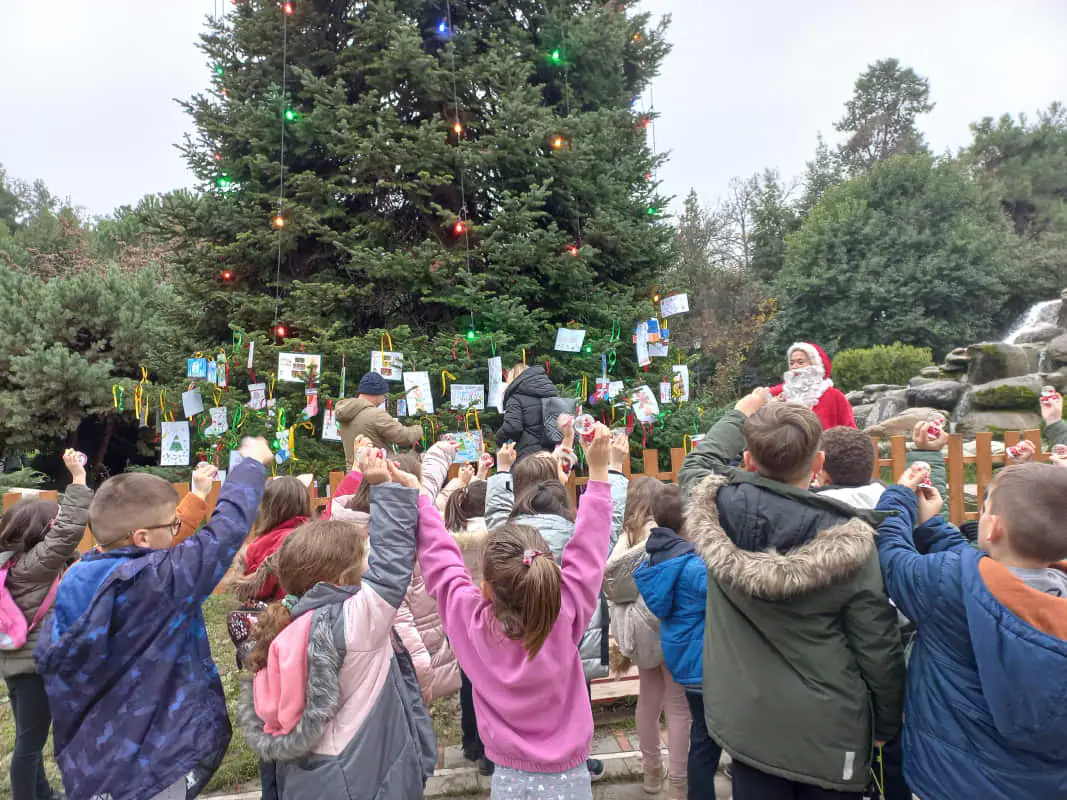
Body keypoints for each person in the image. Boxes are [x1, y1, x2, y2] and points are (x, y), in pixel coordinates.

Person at [678, 390, 905, 800]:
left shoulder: (715, 510)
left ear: (748, 461)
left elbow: (697, 465)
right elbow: (876, 643)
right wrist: (886, 723)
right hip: (831, 729)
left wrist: (740, 413)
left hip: (751, 723)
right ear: (818, 464)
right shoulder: (851, 540)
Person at [35, 437, 274, 800]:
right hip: (155, 766)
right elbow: (226, 531)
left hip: (92, 765)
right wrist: (251, 463)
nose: (179, 531)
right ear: (143, 537)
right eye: (173, 526)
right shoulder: (158, 582)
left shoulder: (77, 577)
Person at [415, 424, 615, 800]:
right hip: (571, 779)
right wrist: (600, 471)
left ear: (485, 588)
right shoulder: (565, 613)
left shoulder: (472, 624)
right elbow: (590, 548)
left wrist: (419, 499)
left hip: (508, 779)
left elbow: (442, 564)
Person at [237, 454, 436, 798]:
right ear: (343, 579)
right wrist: (384, 487)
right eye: (362, 563)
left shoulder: (286, 623)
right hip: (359, 779)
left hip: (310, 779)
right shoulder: (355, 621)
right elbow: (391, 566)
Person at [876, 461, 1067, 799]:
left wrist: (899, 498)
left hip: (948, 783)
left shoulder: (946, 584)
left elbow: (893, 557)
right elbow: (979, 571)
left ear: (993, 527)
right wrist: (932, 526)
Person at [330, 444, 462, 705]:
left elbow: (429, 481)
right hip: (404, 663)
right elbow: (396, 617)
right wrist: (421, 676)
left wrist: (442, 450)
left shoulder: (351, 525)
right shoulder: (379, 548)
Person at [0, 450, 91, 800]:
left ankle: (42, 794)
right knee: (30, 743)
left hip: (17, 664)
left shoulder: (12, 563)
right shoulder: (33, 567)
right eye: (51, 524)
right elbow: (69, 530)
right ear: (42, 531)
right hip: (33, 666)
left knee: (30, 738)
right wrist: (78, 479)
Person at [604, 477, 690, 799]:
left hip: (640, 631)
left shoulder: (627, 535)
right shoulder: (665, 533)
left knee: (648, 701)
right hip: (667, 624)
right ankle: (679, 782)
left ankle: (652, 771)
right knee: (678, 706)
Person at [635, 485, 722, 800]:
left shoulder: (661, 557)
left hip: (684, 658)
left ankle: (685, 786)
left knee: (701, 733)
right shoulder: (694, 568)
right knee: (709, 738)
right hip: (704, 663)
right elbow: (727, 595)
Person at [230, 476, 312, 604]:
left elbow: (258, 590)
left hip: (280, 610)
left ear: (268, 508)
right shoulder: (312, 535)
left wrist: (242, 569)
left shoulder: (269, 542)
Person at [335, 372, 422, 467]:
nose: (384, 399)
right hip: (377, 472)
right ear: (377, 393)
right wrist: (420, 429)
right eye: (384, 395)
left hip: (354, 472)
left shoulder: (346, 413)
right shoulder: (376, 415)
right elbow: (403, 437)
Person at [769, 342, 855, 429]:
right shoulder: (783, 392)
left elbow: (850, 430)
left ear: (815, 365)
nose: (794, 367)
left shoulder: (834, 395)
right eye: (791, 363)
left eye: (800, 362)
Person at [496, 362, 560, 461]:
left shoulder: (515, 398)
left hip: (527, 456)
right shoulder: (551, 394)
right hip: (551, 454)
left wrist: (499, 439)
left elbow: (513, 427)